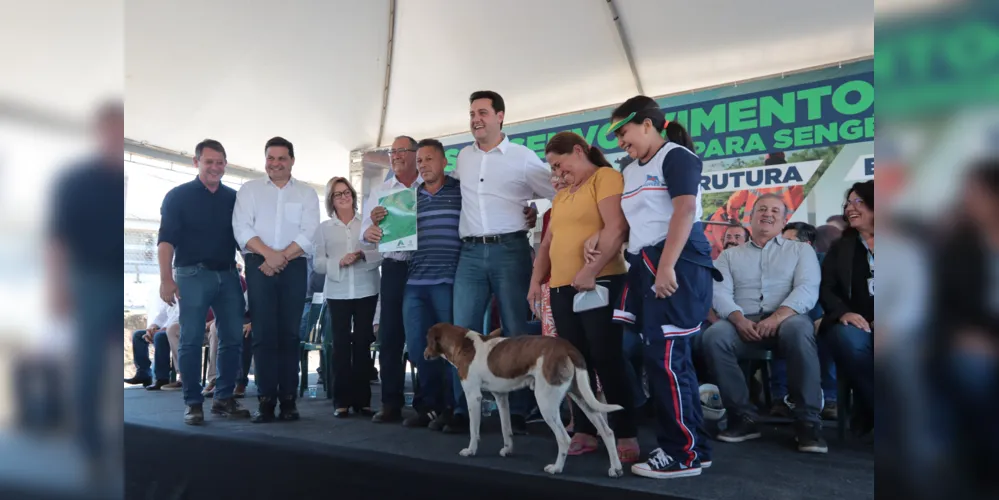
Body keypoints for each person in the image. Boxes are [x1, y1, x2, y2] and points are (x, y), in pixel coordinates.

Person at [606, 96, 718, 478]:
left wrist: (666, 267)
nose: (621, 140)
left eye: (624, 131)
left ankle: (680, 454)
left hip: (675, 265)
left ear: (648, 125)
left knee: (667, 362)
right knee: (671, 362)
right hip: (645, 266)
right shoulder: (631, 168)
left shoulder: (676, 156)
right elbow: (637, 222)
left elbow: (685, 210)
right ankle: (695, 448)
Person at [446, 90, 556, 435]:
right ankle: (464, 409)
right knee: (461, 331)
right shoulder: (463, 157)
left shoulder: (522, 157)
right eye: (471, 113)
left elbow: (557, 191)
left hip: (511, 250)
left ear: (500, 116)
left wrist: (534, 210)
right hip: (470, 253)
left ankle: (521, 411)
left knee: (515, 331)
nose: (475, 119)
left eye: (482, 112)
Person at [528, 131, 639, 462]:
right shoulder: (562, 195)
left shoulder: (605, 177)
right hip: (562, 287)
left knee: (607, 357)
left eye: (561, 165)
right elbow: (547, 243)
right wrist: (536, 282)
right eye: (554, 169)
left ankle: (626, 431)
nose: (559, 174)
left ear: (579, 151)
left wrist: (591, 271)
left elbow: (616, 227)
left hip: (601, 281)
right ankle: (586, 430)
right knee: (576, 363)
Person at [704, 193, 826, 454]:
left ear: (784, 221)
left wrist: (778, 317)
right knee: (714, 336)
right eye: (761, 209)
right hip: (743, 320)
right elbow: (719, 292)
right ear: (750, 217)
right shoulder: (729, 256)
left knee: (800, 329)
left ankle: (808, 421)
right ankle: (743, 417)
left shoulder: (801, 250)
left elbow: (807, 288)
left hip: (787, 319)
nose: (767, 214)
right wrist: (737, 318)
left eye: (774, 211)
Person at [368, 139, 462, 429]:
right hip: (411, 277)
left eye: (428, 159)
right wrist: (376, 222)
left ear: (444, 161)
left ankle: (453, 409)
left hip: (448, 278)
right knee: (419, 345)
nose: (423, 165)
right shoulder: (406, 198)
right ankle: (426, 407)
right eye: (420, 160)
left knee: (451, 347)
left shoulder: (460, 190)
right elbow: (382, 235)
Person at [158, 139, 250, 425]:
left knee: (233, 338)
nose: (215, 167)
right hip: (191, 275)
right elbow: (165, 240)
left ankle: (223, 399)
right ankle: (193, 403)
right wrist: (165, 279)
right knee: (189, 339)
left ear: (226, 164)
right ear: (195, 162)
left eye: (220, 162)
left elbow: (245, 240)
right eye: (209, 161)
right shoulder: (177, 196)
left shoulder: (235, 199)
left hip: (229, 275)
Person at [233, 136, 320, 423]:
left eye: (282, 158)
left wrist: (280, 257)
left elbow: (309, 232)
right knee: (263, 335)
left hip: (294, 266)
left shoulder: (306, 193)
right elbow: (241, 228)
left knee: (289, 335)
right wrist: (269, 255)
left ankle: (289, 400)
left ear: (292, 160)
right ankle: (266, 400)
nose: (276, 163)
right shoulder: (250, 190)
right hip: (259, 265)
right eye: (271, 158)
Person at [361, 135, 421, 424]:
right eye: (392, 151)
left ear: (416, 154)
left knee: (425, 335)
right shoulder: (382, 190)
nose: (395, 156)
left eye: (401, 151)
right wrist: (371, 229)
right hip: (395, 268)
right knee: (390, 337)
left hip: (427, 267)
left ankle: (429, 403)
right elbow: (365, 231)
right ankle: (390, 403)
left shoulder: (431, 184)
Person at [314, 176, 381, 418]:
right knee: (340, 346)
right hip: (338, 292)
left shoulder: (366, 223)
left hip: (366, 289)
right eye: (338, 194)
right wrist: (338, 262)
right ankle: (340, 401)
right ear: (331, 200)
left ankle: (363, 401)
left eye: (347, 192)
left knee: (363, 345)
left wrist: (364, 255)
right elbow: (318, 263)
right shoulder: (323, 228)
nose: (344, 197)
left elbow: (381, 253)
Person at [821, 180, 875, 436]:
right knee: (848, 340)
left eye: (858, 202)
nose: (850, 208)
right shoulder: (841, 247)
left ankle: (866, 409)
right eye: (848, 202)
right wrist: (844, 313)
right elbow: (826, 289)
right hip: (856, 323)